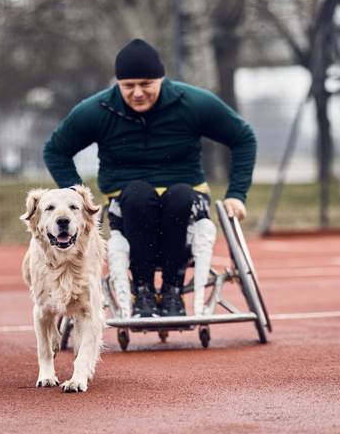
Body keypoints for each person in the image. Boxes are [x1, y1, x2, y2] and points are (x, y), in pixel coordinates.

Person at [43, 39, 257, 318]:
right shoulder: (99, 109)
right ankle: (142, 291)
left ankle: (172, 291)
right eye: (129, 86)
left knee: (179, 195)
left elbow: (243, 137)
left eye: (146, 84)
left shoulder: (190, 102)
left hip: (187, 197)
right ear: (118, 83)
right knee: (137, 194)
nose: (138, 92)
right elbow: (56, 149)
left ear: (161, 79)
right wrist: (78, 197)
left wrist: (237, 194)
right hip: (128, 201)